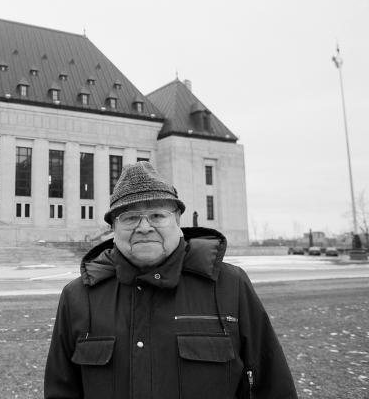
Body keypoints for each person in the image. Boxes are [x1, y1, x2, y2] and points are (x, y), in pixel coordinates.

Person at [44, 161, 297, 399]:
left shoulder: (230, 286)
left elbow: (271, 386)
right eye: (130, 217)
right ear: (114, 228)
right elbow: (61, 390)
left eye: (157, 215)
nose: (143, 227)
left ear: (178, 221)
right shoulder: (78, 296)